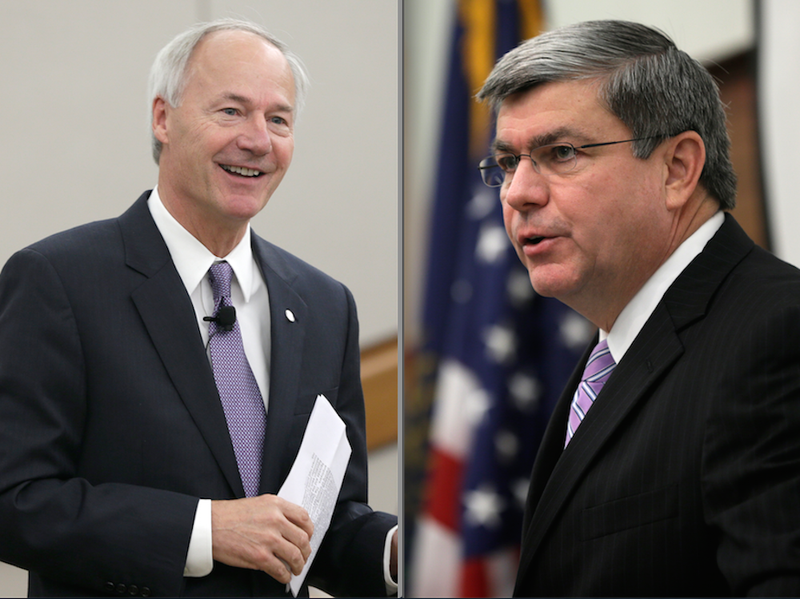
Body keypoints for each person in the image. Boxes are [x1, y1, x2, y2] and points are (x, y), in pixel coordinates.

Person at [0, 18, 397, 598]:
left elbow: (320, 524)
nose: (258, 139)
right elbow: (15, 500)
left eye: (278, 119)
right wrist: (204, 530)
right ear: (163, 118)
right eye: (231, 111)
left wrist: (391, 550)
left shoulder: (324, 305)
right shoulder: (59, 281)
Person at [475, 19, 800, 596]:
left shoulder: (778, 334)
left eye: (562, 152)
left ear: (677, 169)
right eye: (506, 164)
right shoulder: (611, 357)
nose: (518, 192)